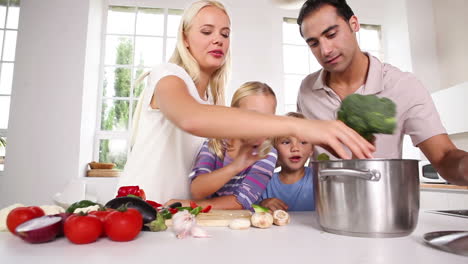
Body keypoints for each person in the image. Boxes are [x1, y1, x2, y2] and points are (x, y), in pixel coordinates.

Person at [118, 0, 375, 204]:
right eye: (206, 31)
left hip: (173, 216)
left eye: (225, 33)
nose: (218, 39)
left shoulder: (210, 101)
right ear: (185, 38)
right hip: (136, 209)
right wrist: (297, 126)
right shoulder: (167, 75)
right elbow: (190, 118)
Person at [295, 0, 468, 185]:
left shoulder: (403, 85)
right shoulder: (307, 90)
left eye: (331, 34)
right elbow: (297, 155)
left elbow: (443, 156)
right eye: (313, 43)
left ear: (354, 24)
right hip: (323, 209)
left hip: (382, 208)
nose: (325, 50)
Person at [167, 82, 278, 210]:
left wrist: (191, 205)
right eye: (253, 115)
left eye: (268, 118)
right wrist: (236, 166)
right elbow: (197, 190)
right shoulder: (215, 142)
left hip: (241, 224)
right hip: (208, 219)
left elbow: (241, 201)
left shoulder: (267, 153)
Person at [259, 112, 315, 212]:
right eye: (286, 142)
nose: (295, 148)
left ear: (312, 150)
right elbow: (248, 210)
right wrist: (262, 205)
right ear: (274, 149)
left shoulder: (320, 180)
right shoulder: (264, 181)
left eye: (303, 142)